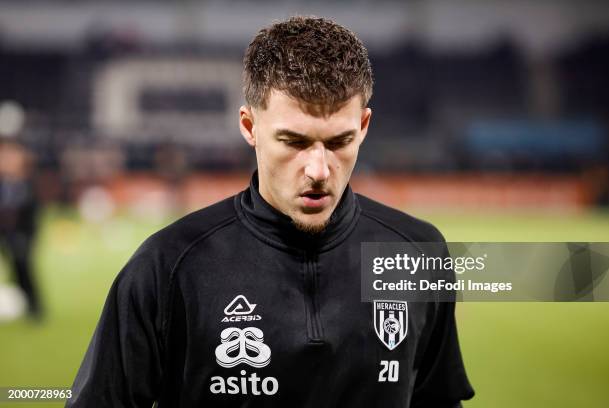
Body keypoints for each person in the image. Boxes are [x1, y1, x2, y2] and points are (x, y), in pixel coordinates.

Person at [67, 16, 474, 407]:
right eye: (294, 142)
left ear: (364, 126)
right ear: (249, 126)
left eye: (339, 142)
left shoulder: (418, 252)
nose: (318, 170)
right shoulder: (168, 266)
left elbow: (436, 400)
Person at [0, 136, 41, 320]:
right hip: (7, 235)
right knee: (15, 270)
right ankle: (22, 303)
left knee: (23, 268)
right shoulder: (5, 184)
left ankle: (34, 306)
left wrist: (26, 235)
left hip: (22, 235)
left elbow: (31, 213)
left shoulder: (26, 185)